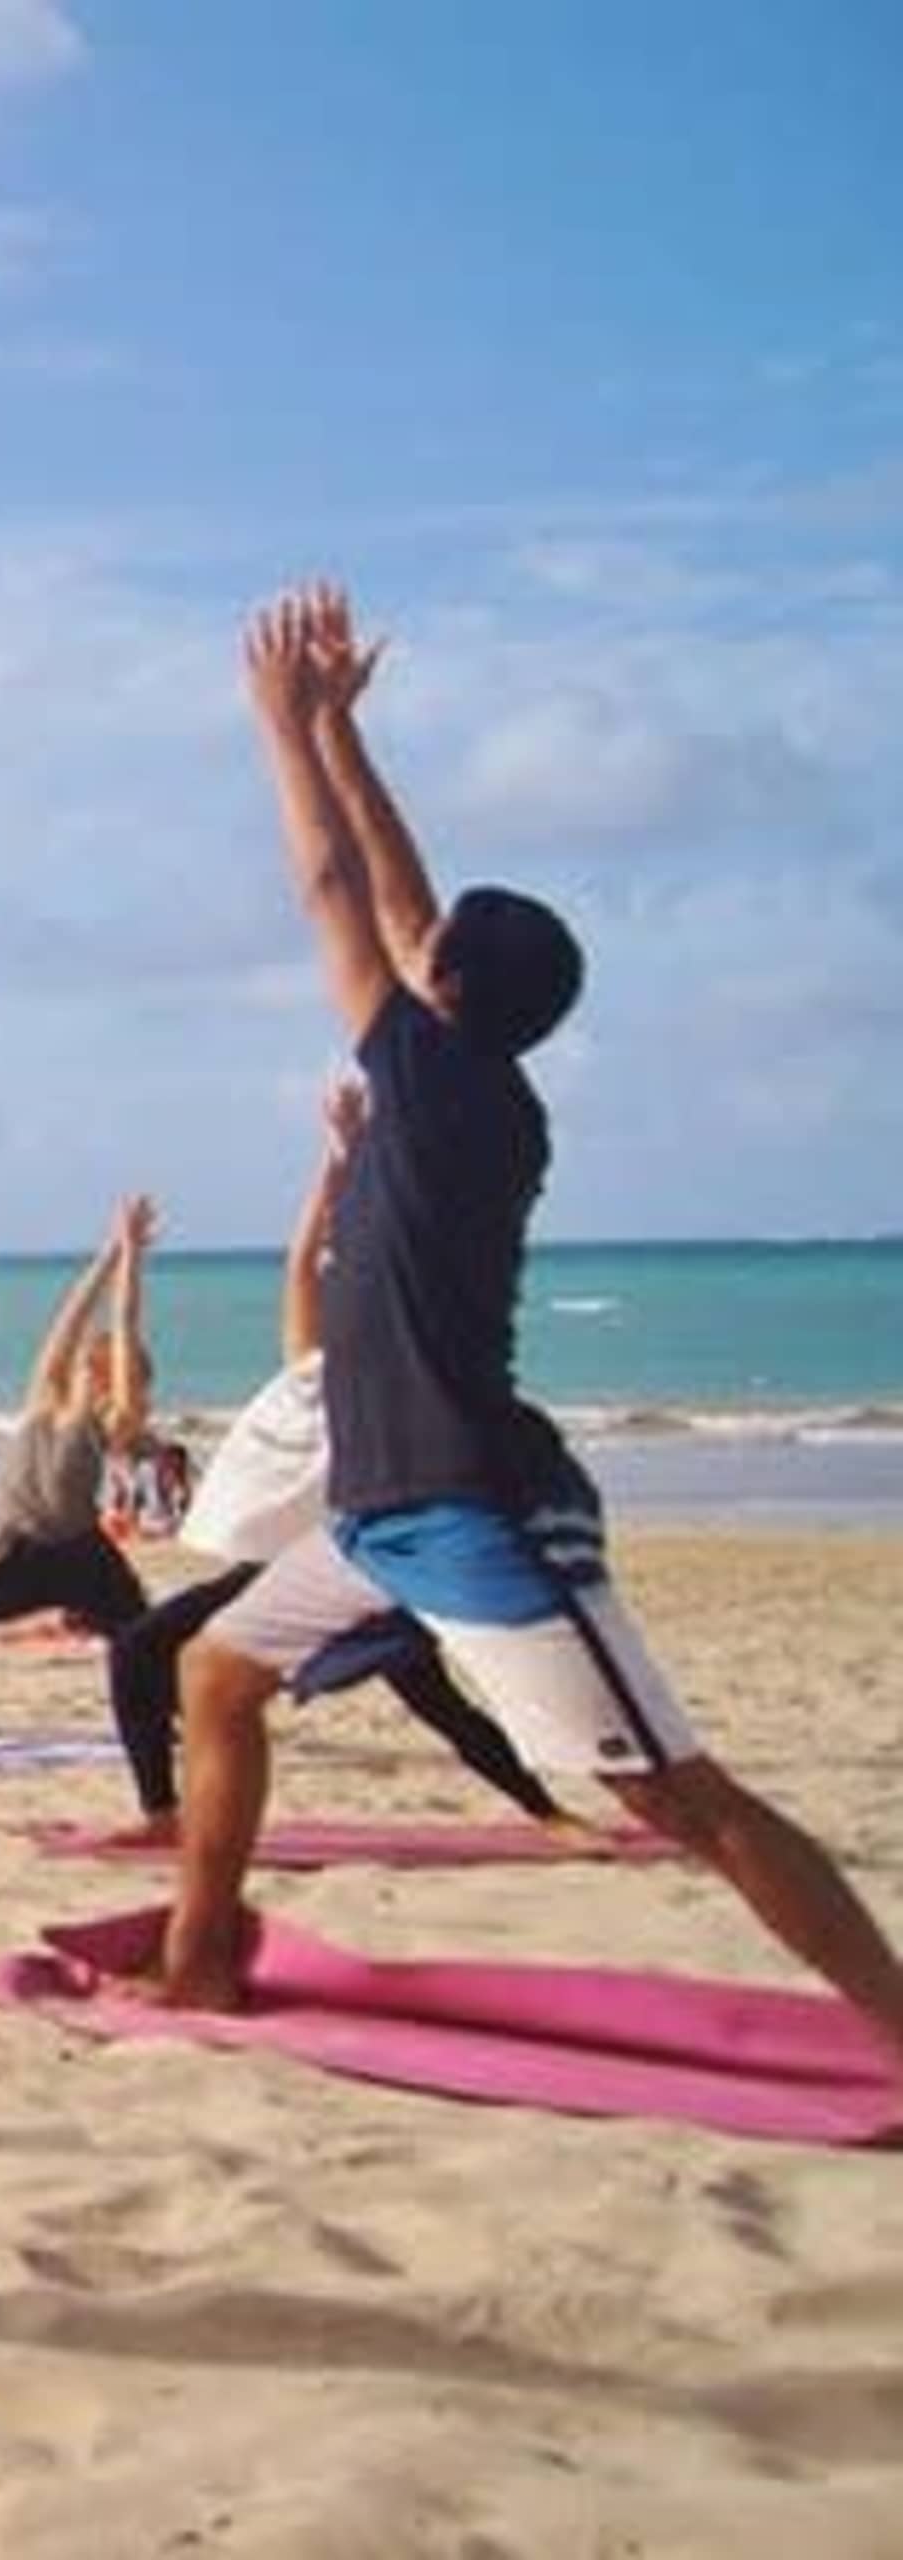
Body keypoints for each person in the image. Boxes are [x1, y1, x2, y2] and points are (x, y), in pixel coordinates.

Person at [152, 583, 903, 2061]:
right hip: (376, 1514)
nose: (407, 946)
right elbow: (408, 909)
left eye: (428, 952)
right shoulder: (467, 1078)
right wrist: (346, 732)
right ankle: (199, 1963)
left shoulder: (440, 1088)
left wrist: (283, 735)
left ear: (443, 993)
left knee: (681, 1797)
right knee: (216, 1674)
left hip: (478, 1514)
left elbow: (333, 890)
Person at [97, 1081, 563, 1841]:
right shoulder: (309, 1365)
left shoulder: (400, 1386)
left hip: (361, 1572)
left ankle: (550, 1812)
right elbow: (301, 1261)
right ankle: (160, 1815)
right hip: (276, 1574)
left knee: (437, 1699)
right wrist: (338, 1157)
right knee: (136, 1652)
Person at [0, 1198, 158, 1763]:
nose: (76, 1359)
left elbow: (123, 1327)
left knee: (141, 1640)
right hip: (18, 1562)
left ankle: (166, 1727)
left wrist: (132, 1261)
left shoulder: (110, 1417)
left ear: (102, 1374)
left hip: (82, 1561)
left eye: (90, 1361)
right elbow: (69, 1320)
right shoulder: (42, 1397)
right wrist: (110, 1249)